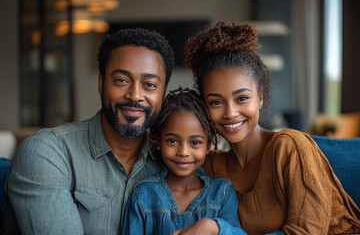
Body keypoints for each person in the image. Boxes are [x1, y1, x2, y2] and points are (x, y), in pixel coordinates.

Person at [181, 21, 360, 234]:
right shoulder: (210, 167)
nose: (230, 113)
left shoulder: (290, 148)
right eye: (216, 102)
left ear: (260, 98)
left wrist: (217, 229)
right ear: (204, 108)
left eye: (242, 98)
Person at [1, 27, 175, 234]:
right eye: (122, 80)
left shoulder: (172, 162)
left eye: (149, 84)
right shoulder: (47, 152)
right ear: (101, 84)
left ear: (163, 93)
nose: (135, 95)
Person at [122, 87, 246, 235]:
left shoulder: (222, 193)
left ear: (209, 144)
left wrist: (214, 227)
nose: (183, 152)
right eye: (172, 141)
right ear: (158, 141)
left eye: (195, 143)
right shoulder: (143, 194)